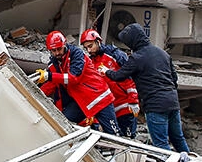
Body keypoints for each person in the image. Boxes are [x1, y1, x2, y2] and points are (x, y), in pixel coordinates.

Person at [106, 23, 190, 155]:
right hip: (173, 102)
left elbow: (119, 76)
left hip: (155, 105)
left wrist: (106, 71)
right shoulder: (163, 53)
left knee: (160, 145)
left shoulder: (137, 58)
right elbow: (174, 79)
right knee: (178, 138)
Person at [34, 31, 118, 136]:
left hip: (99, 97)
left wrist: (49, 76)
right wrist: (34, 94)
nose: (56, 53)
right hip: (81, 101)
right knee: (63, 121)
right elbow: (52, 83)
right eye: (53, 50)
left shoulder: (77, 54)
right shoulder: (56, 62)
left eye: (59, 49)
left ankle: (116, 150)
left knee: (113, 134)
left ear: (64, 45)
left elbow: (74, 78)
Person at [80, 29, 139, 138]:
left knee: (128, 139)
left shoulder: (115, 55)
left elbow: (130, 77)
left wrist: (133, 100)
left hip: (125, 105)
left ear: (98, 41)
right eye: (86, 48)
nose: (88, 50)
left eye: (90, 46)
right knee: (114, 140)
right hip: (109, 109)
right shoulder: (91, 63)